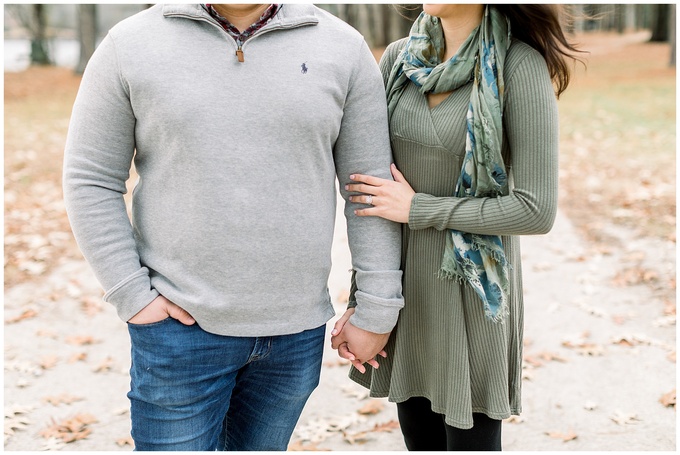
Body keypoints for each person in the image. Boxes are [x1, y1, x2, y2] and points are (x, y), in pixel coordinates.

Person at [62, 3, 404, 451]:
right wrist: (131, 293)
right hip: (178, 332)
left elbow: (369, 190)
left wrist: (378, 306)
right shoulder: (130, 44)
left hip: (294, 335)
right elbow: (91, 177)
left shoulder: (342, 47)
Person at [331, 4, 584, 451]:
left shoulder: (518, 65)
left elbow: (535, 210)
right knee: (419, 441)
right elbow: (373, 197)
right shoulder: (397, 60)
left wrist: (421, 209)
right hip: (408, 292)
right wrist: (366, 301)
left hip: (471, 293)